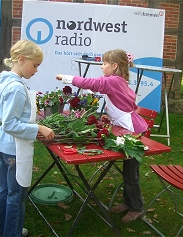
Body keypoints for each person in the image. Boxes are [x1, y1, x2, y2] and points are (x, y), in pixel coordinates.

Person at [56, 49, 148, 223]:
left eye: (104, 64)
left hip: (132, 130)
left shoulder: (113, 81)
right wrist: (110, 117)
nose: (102, 67)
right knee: (128, 171)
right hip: (126, 128)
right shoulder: (117, 80)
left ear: (114, 66)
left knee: (131, 172)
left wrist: (66, 78)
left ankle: (137, 207)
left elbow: (90, 83)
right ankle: (129, 203)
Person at [0, 39, 55, 237]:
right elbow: (10, 124)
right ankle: (12, 232)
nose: (36, 70)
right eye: (35, 65)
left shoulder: (6, 80)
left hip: (4, 146)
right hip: (14, 149)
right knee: (16, 195)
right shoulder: (16, 88)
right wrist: (39, 127)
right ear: (21, 59)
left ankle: (1, 231)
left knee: (5, 191)